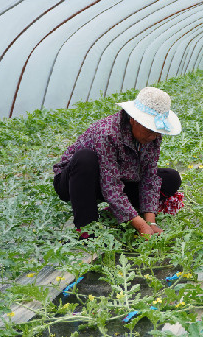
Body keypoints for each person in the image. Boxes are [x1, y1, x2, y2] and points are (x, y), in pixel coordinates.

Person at [53, 87, 184, 238]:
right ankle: (87, 229)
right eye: (150, 130)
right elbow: (111, 185)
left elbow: (149, 177)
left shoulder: (153, 136)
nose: (153, 137)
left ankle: (122, 211)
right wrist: (140, 225)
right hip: (76, 181)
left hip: (119, 177)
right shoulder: (108, 133)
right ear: (134, 119)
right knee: (85, 158)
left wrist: (150, 223)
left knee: (170, 178)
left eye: (157, 132)